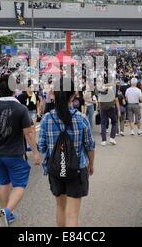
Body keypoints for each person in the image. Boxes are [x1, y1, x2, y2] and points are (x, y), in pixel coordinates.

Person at [0, 74, 41, 227]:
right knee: (19, 185)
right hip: (15, 153)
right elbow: (28, 133)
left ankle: (6, 215)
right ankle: (6, 212)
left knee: (4, 182)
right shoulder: (20, 109)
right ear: (14, 89)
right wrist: (35, 152)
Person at [38, 78, 95, 227]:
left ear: (55, 95)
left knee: (60, 208)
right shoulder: (81, 118)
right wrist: (91, 165)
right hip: (77, 168)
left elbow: (42, 147)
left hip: (56, 169)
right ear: (73, 96)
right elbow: (89, 145)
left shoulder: (46, 119)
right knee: (73, 215)